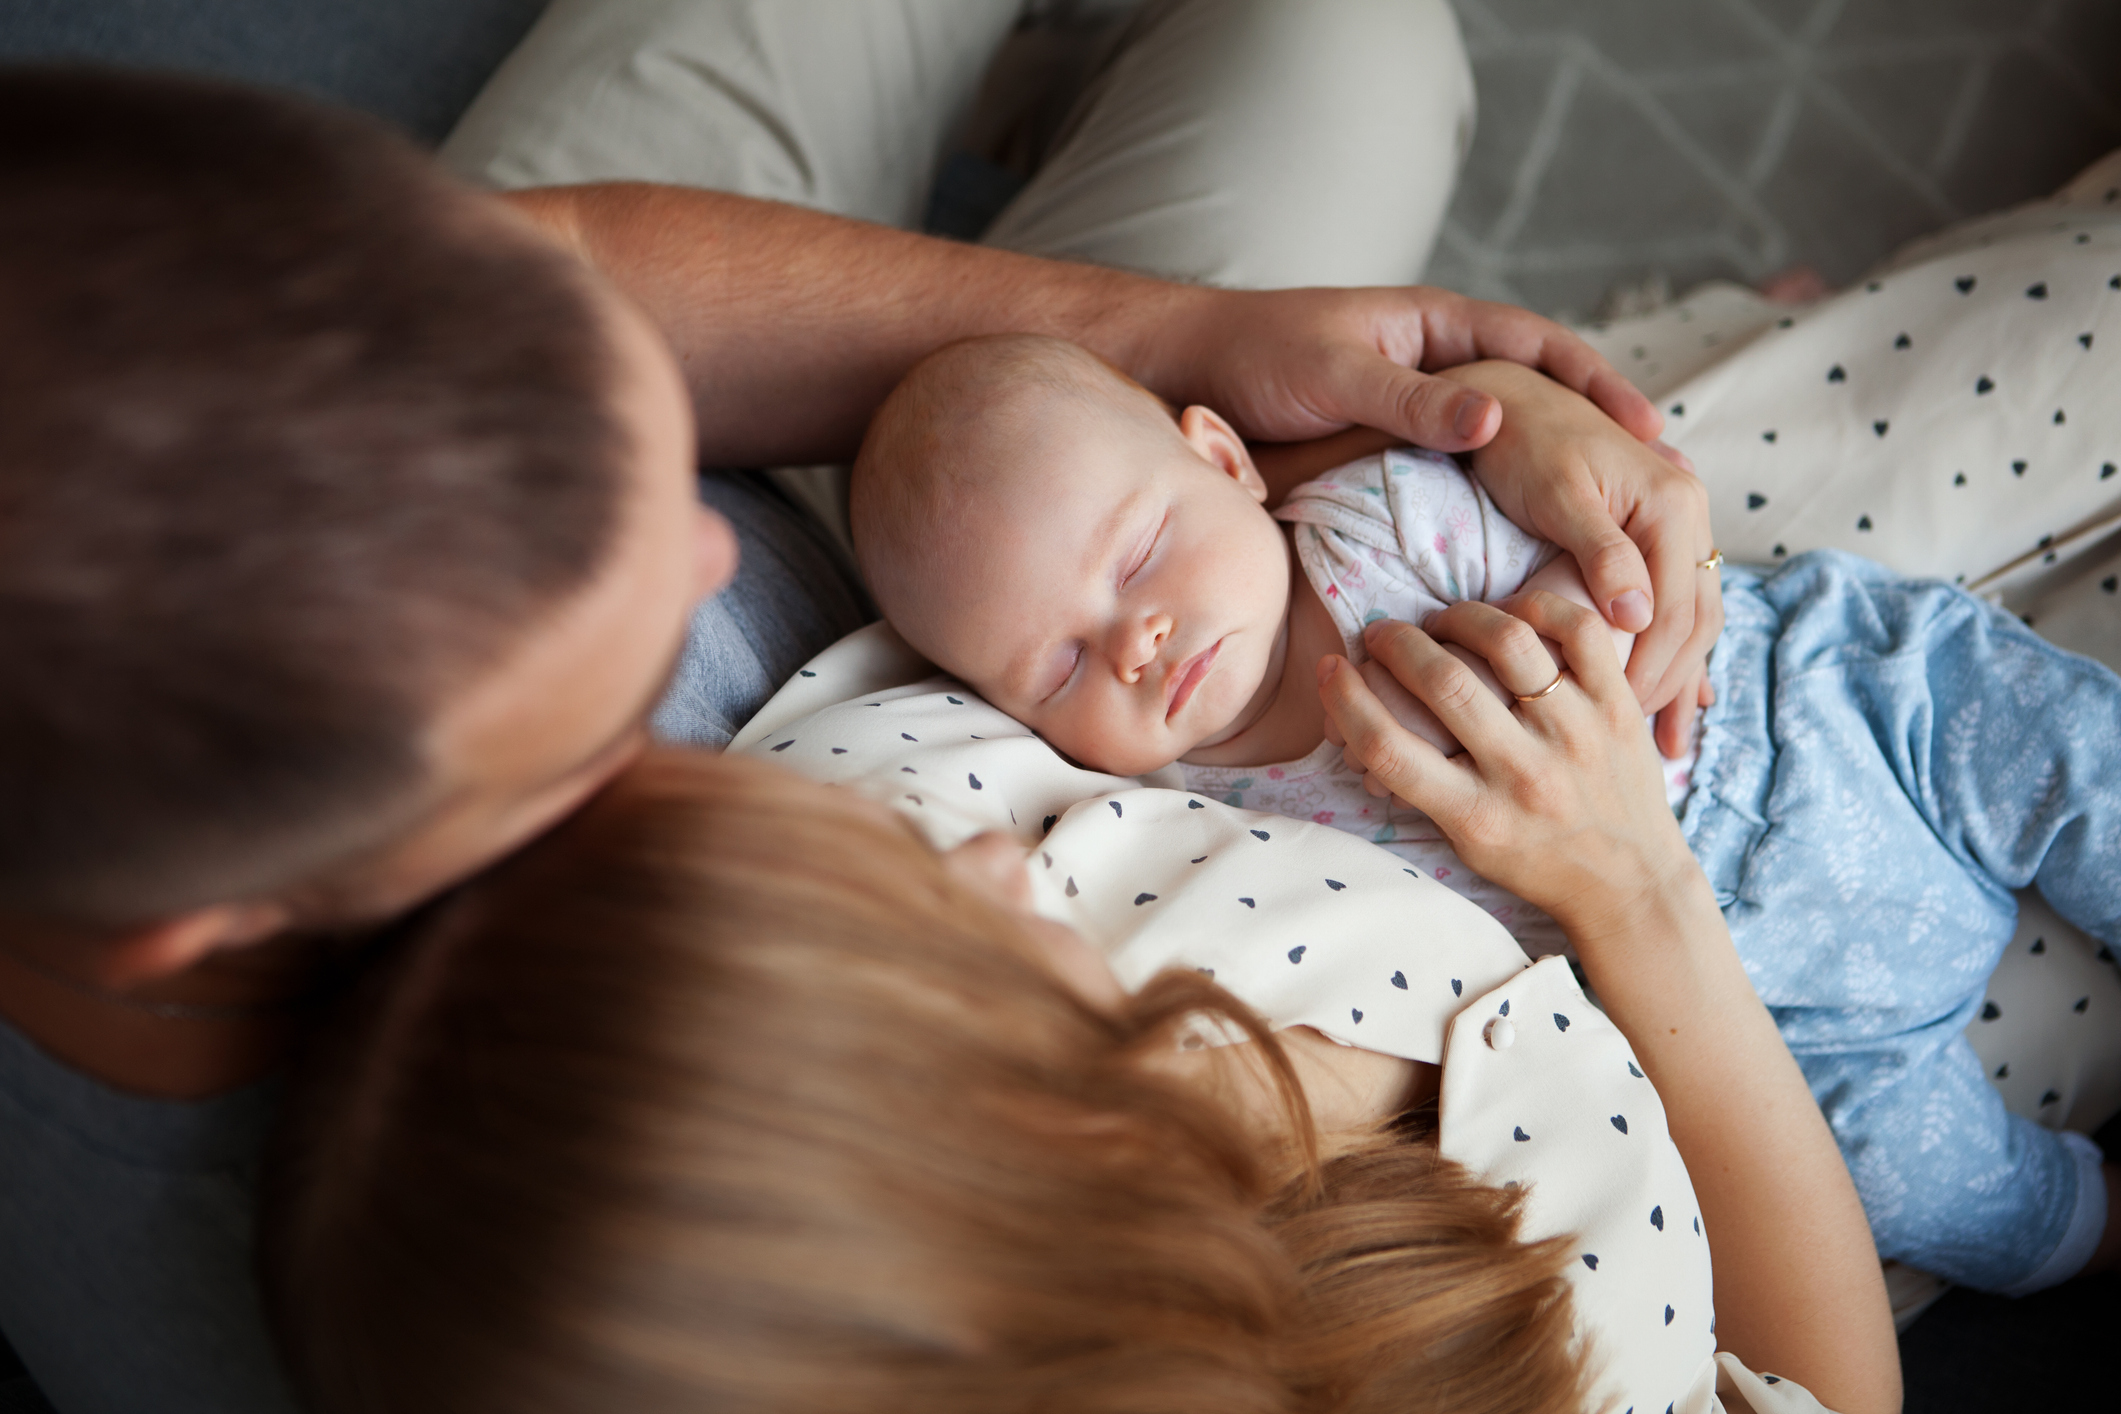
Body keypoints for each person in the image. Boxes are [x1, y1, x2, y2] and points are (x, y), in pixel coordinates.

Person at [0, 63, 1713, 1414]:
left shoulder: (214, 575)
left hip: (1011, 492)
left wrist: (1168, 349)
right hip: (1030, 623)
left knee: (1342, 50)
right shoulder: (550, 1215)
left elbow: (576, 270)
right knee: (1359, 53)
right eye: (587, 710)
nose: (703, 542)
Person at [847, 331, 2120, 1295]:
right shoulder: (1210, 825)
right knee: (1930, 1191)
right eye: (1060, 668)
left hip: (1830, 719)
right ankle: (2092, 1218)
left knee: (2068, 756)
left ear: (1228, 460)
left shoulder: (1377, 522)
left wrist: (1593, 607)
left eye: (1135, 560)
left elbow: (1602, 560)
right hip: (1779, 1018)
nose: (1137, 639)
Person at [258, 749, 1900, 1414]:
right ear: (995, 1162)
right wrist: (1643, 889)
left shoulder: (863, 816)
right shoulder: (1583, 1361)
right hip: (1787, 1022)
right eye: (937, 915)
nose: (980, 855)